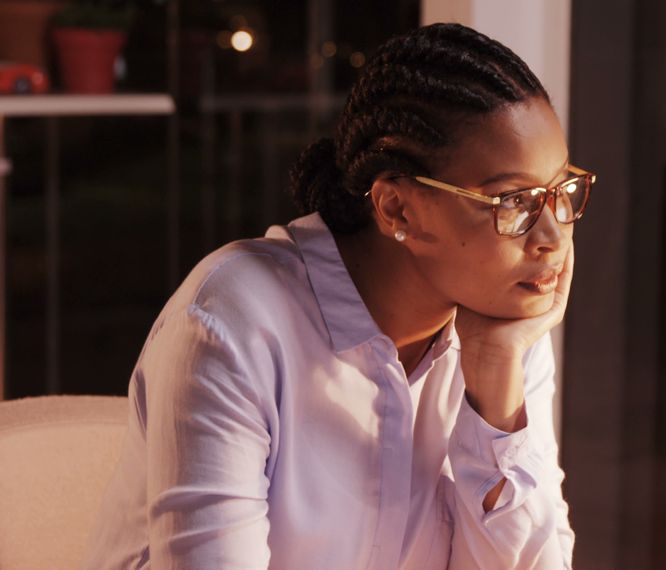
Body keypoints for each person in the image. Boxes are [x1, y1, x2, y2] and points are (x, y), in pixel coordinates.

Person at [81, 22, 592, 569]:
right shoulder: (232, 323)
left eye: (560, 192)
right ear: (397, 209)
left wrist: (495, 383)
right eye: (513, 201)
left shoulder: (504, 333)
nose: (552, 236)